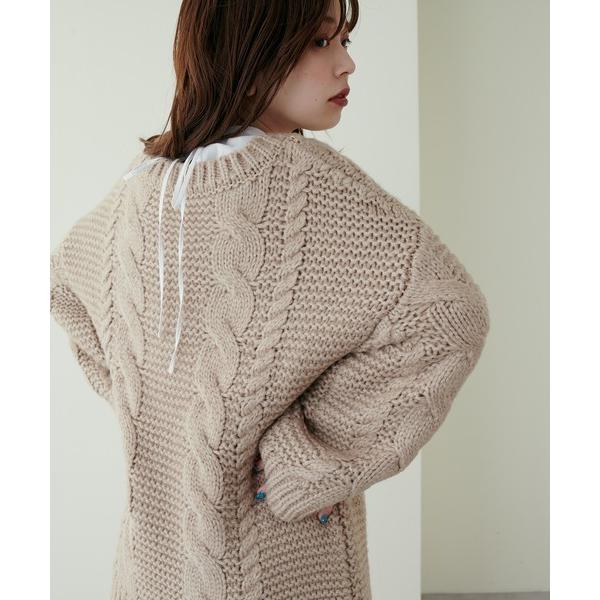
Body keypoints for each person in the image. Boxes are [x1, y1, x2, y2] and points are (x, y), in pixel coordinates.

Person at [49, 0, 490, 598]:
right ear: (246, 52)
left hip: (152, 568)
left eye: (344, 41)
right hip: (282, 566)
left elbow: (66, 287)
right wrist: (308, 457)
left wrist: (160, 407)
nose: (347, 63)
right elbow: (449, 315)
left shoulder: (141, 187)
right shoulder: (309, 185)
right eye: (320, 42)